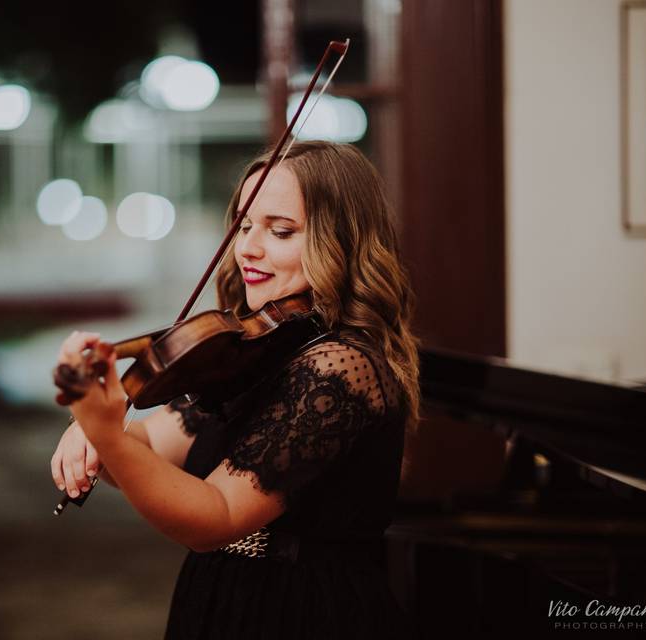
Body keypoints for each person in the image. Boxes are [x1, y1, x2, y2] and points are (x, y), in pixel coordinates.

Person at [50, 140, 419, 639]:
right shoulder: (261, 354)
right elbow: (156, 442)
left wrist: (106, 435)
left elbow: (217, 515)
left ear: (341, 243)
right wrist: (102, 430)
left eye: (281, 230)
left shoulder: (341, 365)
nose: (247, 247)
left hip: (301, 613)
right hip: (223, 597)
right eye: (245, 224)